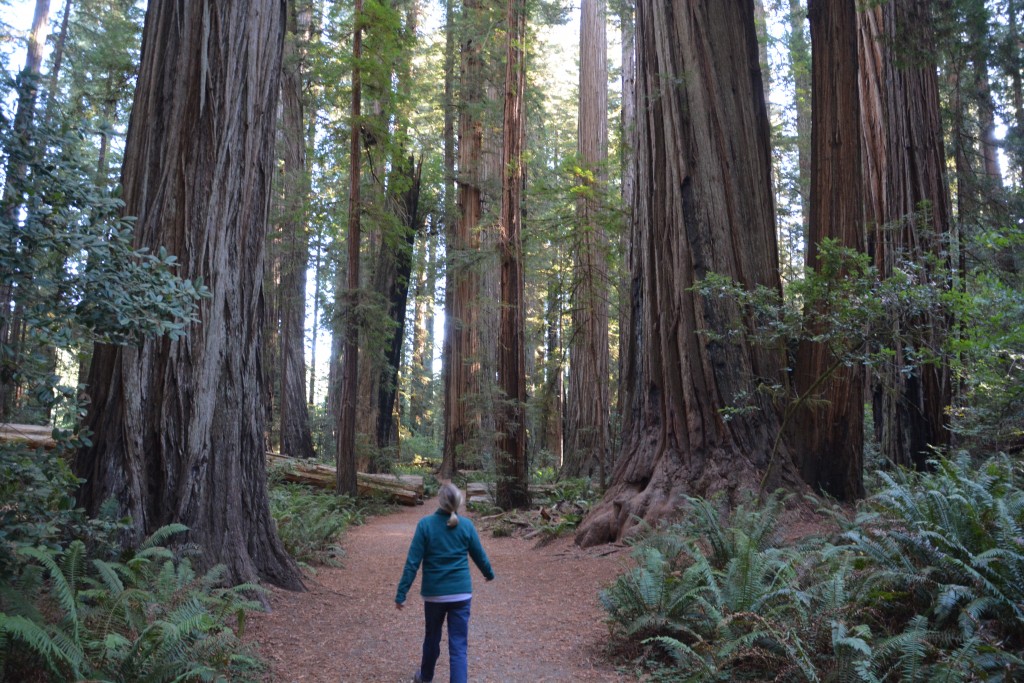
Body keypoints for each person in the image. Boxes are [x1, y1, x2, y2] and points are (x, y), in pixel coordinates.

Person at [395, 482, 494, 683]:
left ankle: (425, 678)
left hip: (434, 595)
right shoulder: (466, 526)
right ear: (458, 502)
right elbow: (479, 555)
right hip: (461, 594)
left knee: (432, 638)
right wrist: (488, 573)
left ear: (440, 501)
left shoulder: (425, 525)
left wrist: (401, 594)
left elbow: (412, 563)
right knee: (458, 646)